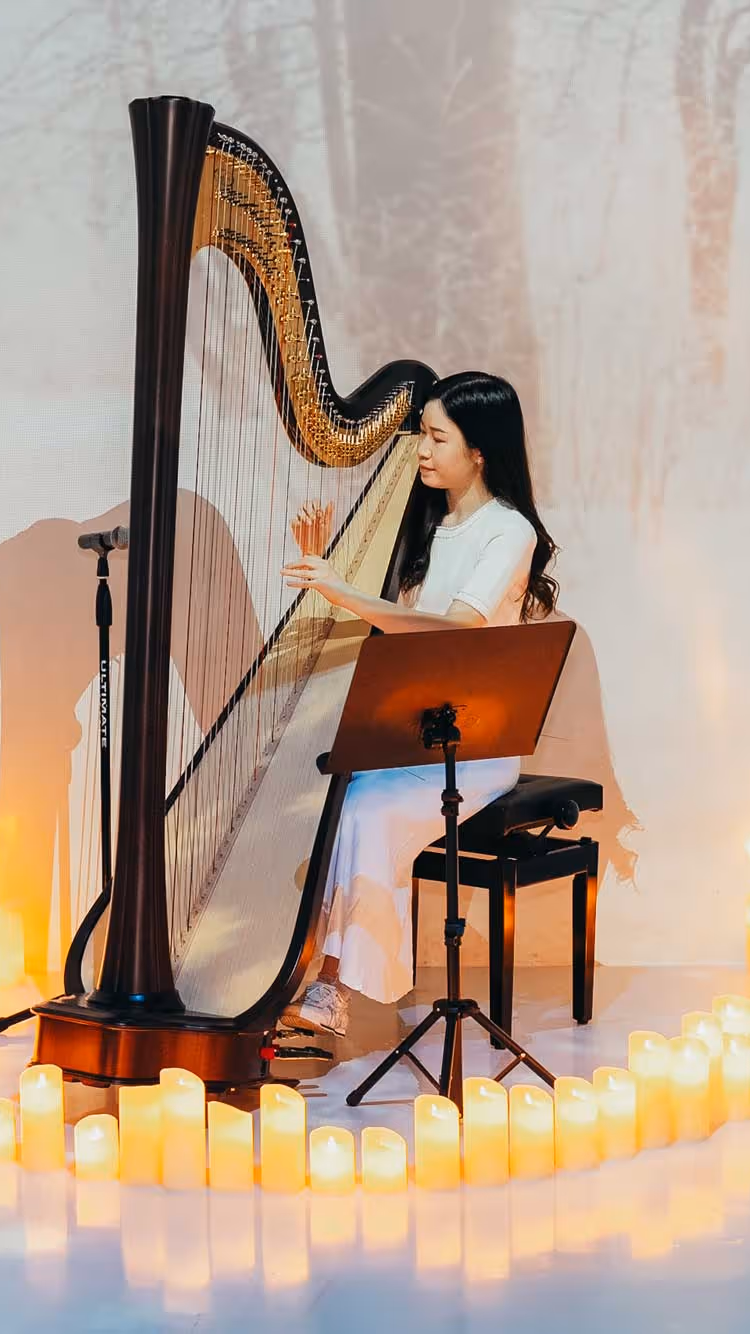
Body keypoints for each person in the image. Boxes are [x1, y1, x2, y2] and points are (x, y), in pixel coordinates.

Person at [278, 371, 560, 1036]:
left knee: (366, 812)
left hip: (476, 745)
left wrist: (340, 591)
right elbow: (397, 633)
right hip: (413, 733)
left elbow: (457, 630)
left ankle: (331, 987)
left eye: (437, 438)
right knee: (321, 801)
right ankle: (291, 967)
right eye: (422, 436)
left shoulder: (507, 532)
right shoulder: (435, 527)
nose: (422, 452)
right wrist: (327, 570)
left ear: (480, 452)